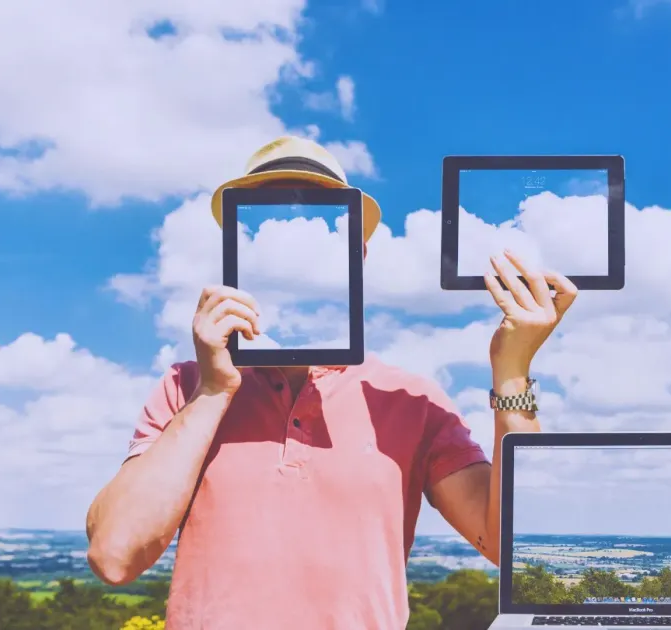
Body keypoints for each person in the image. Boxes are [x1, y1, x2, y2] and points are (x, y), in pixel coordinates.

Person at [85, 136, 578, 629]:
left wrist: (512, 372)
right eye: (264, 224)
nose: (292, 243)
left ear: (357, 254)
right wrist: (213, 391)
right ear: (236, 249)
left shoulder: (411, 399)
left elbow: (512, 549)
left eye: (321, 226)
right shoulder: (186, 386)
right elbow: (115, 554)